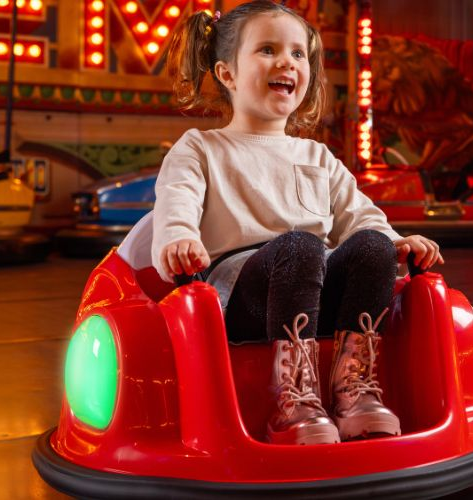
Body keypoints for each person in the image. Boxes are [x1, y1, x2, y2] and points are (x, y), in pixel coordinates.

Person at [149, 1, 443, 446]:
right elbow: (176, 205)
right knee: (300, 247)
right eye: (267, 49)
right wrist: (179, 238)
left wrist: (397, 241)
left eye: (298, 54)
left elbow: (360, 215)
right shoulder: (201, 148)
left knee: (371, 247)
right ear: (227, 74)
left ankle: (355, 388)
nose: (287, 61)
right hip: (244, 297)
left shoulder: (317, 157)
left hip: (316, 289)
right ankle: (293, 398)